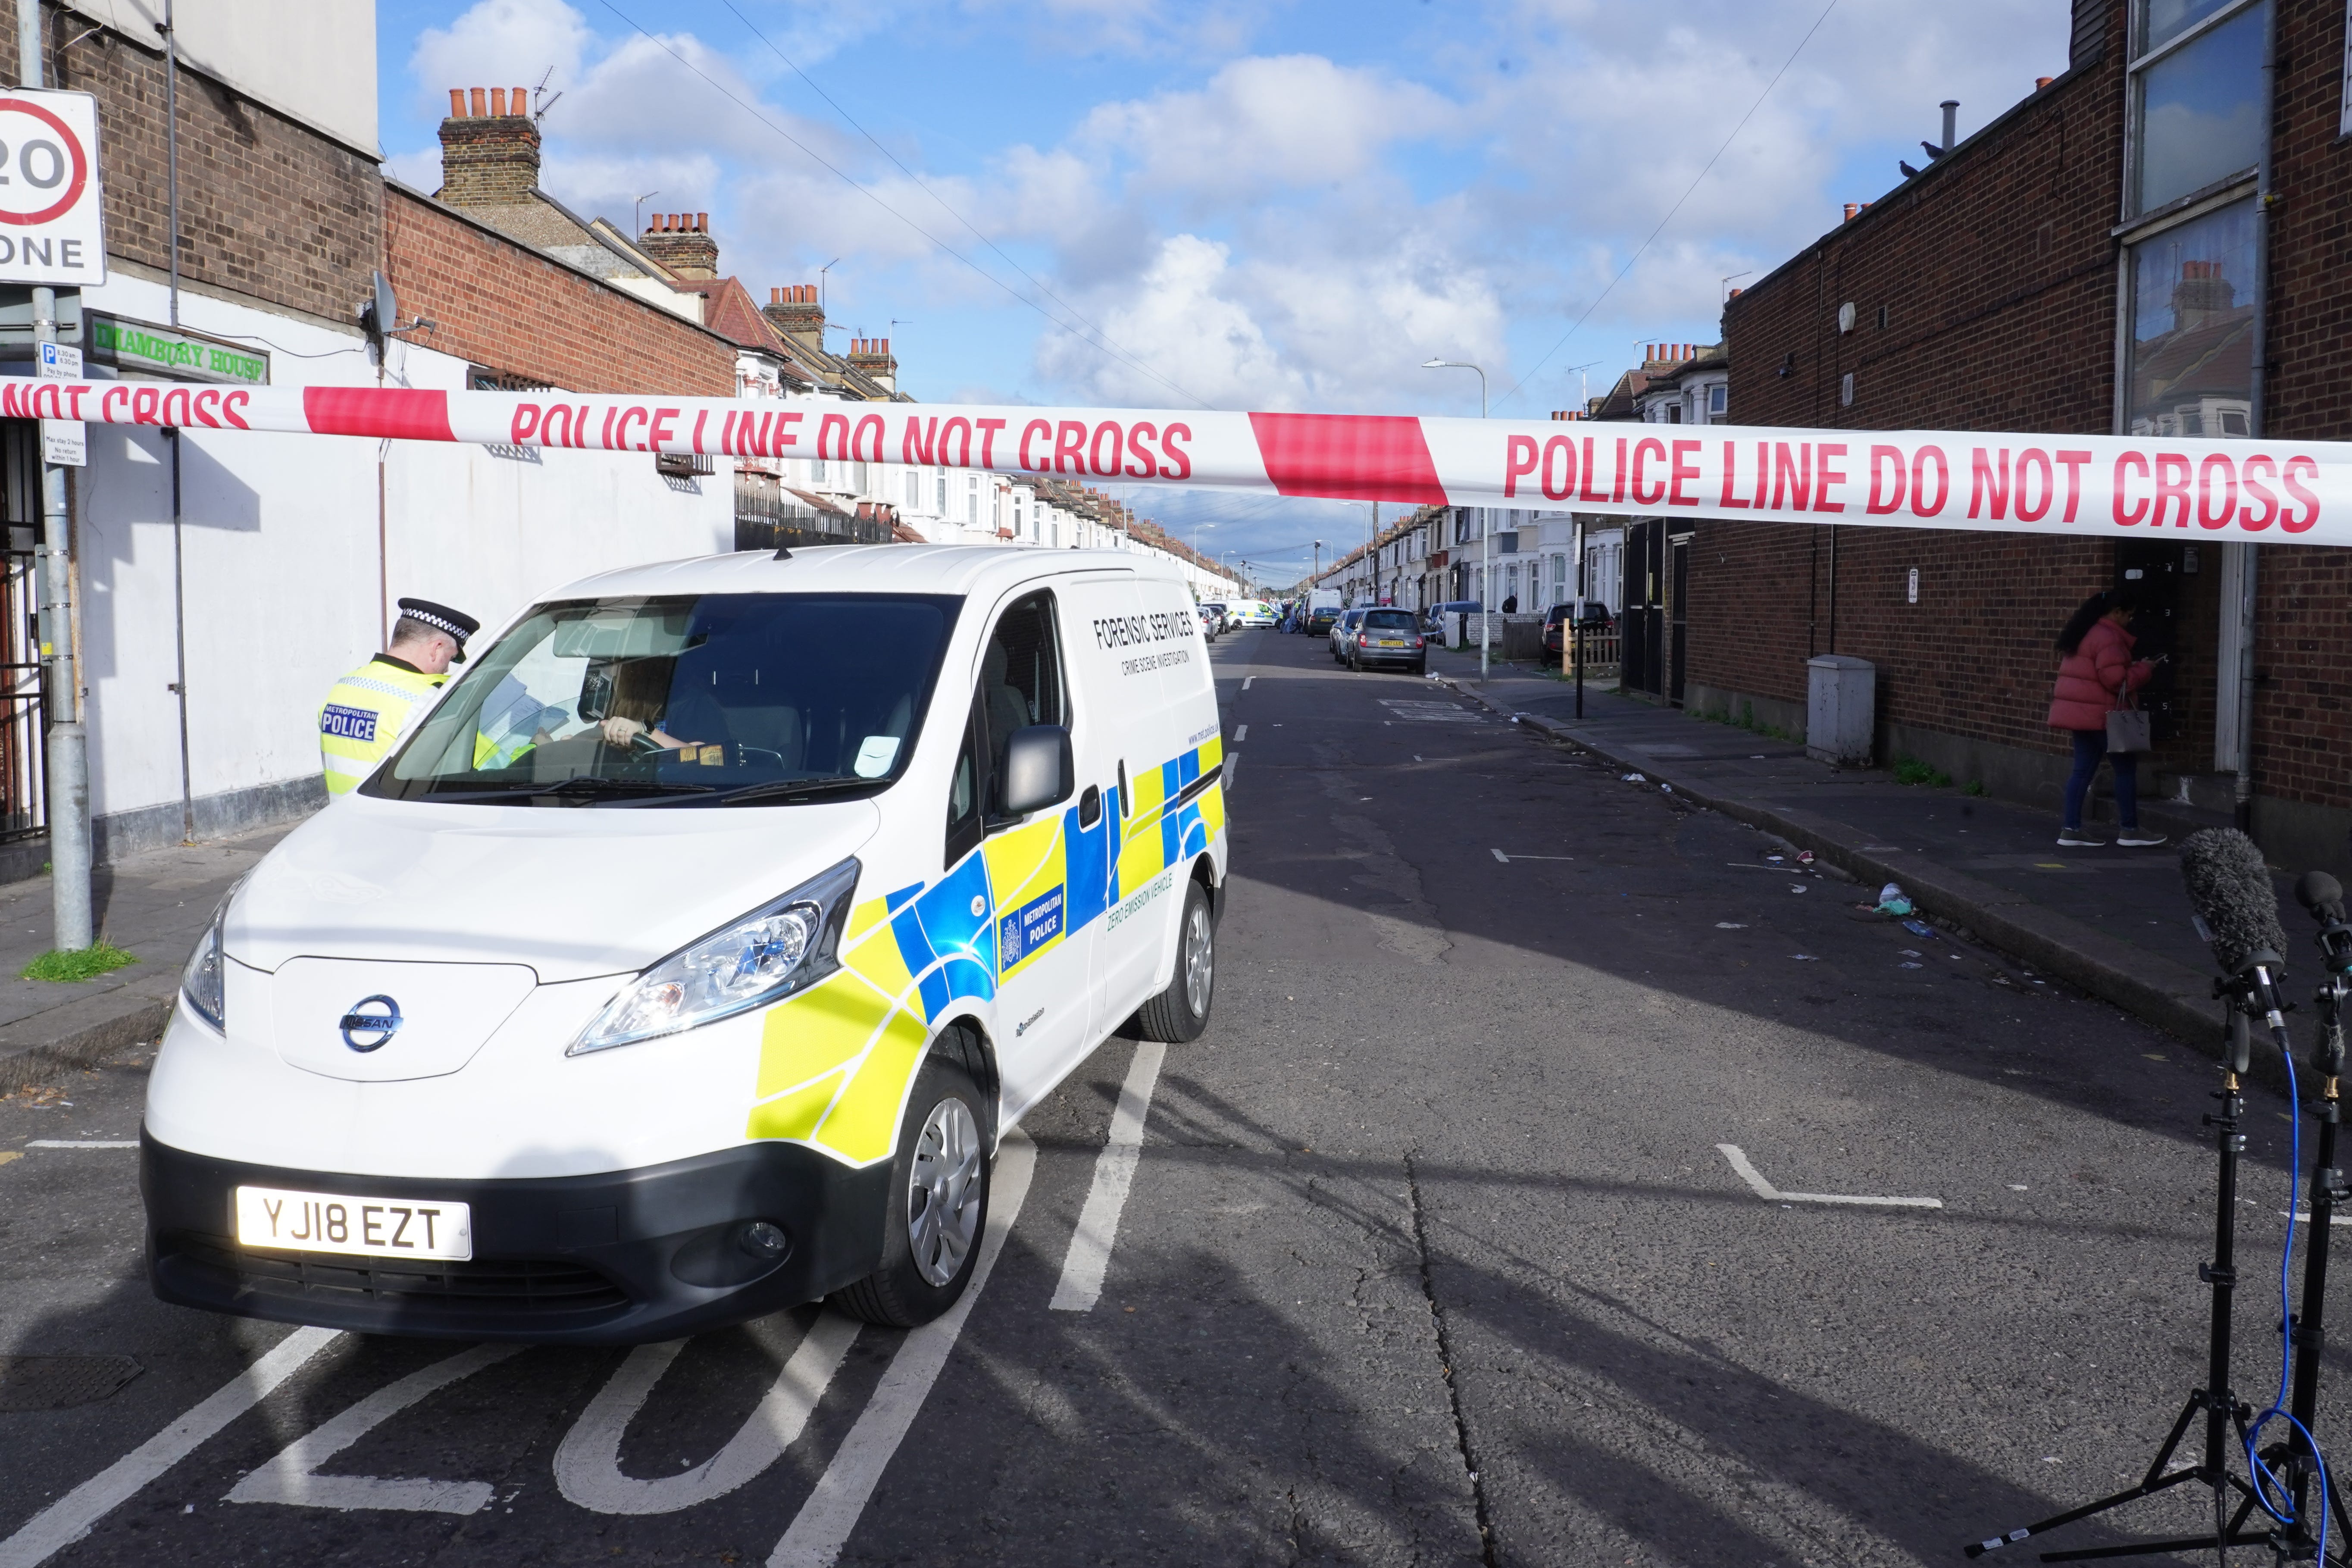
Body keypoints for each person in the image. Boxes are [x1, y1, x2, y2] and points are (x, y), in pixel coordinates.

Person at [318, 597, 479, 797]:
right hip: (392, 824)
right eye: (451, 657)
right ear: (436, 648)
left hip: (343, 816)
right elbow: (480, 761)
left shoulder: (343, 686)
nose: (447, 668)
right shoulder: (428, 700)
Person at [2046, 587, 2165, 849]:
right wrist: (2144, 669)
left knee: (2081, 771)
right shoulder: (2108, 637)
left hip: (2080, 716)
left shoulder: (2084, 631)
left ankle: (2071, 829)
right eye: (2128, 616)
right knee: (2125, 770)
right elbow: (2115, 680)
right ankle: (2130, 830)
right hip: (2104, 716)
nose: (2130, 621)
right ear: (2116, 612)